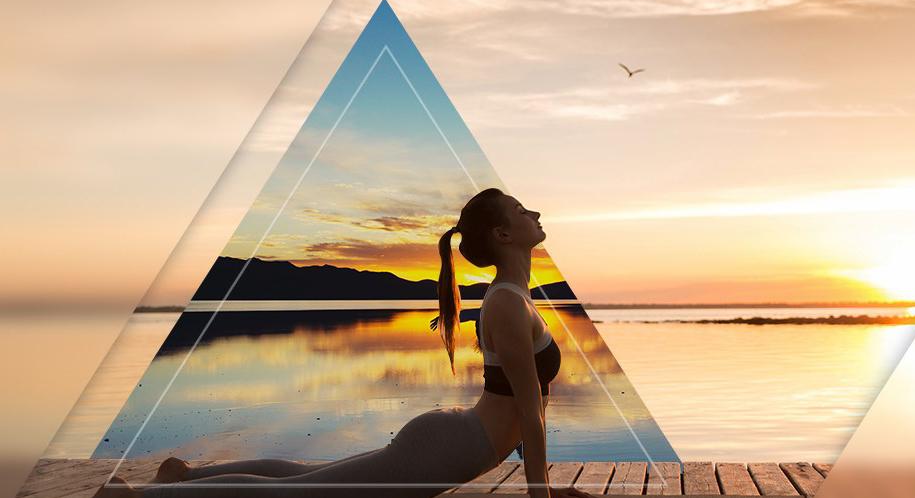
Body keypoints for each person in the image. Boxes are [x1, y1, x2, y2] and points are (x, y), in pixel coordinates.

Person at [94, 188, 593, 498]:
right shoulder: (506, 304)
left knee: (304, 476)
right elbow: (529, 413)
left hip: (457, 441)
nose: (536, 211)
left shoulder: (516, 299)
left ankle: (183, 475)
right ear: (504, 233)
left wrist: (543, 487)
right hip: (452, 448)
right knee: (298, 494)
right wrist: (540, 495)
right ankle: (136, 497)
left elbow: (534, 410)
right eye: (523, 209)